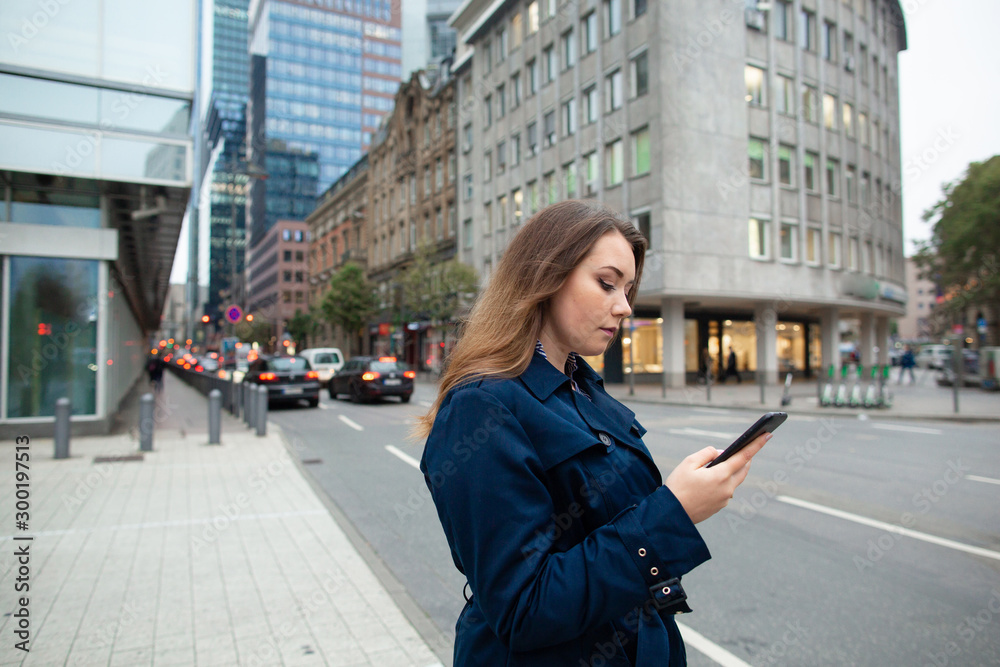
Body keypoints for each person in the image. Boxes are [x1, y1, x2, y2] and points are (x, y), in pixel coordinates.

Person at [416, 201, 772, 666]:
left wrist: (680, 494)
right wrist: (672, 513)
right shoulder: (482, 406)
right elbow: (522, 608)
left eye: (627, 289)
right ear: (546, 275)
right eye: (606, 283)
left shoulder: (584, 387)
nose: (624, 306)